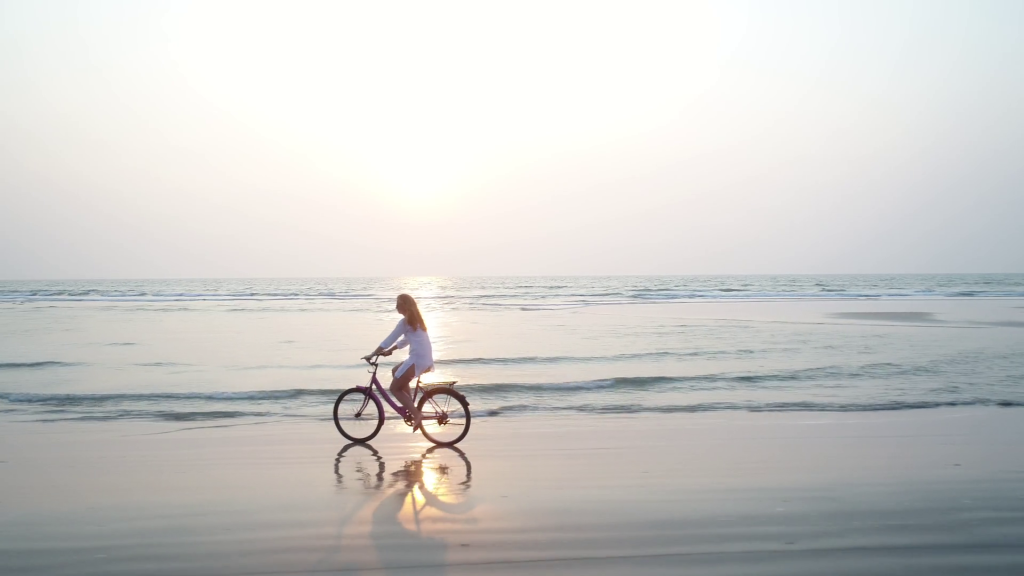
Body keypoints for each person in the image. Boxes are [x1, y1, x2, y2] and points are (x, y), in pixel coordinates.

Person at [363, 294, 433, 431]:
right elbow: (405, 340)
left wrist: (373, 354)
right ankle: (410, 406)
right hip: (424, 358)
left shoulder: (405, 322)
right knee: (396, 371)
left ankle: (416, 414)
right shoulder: (415, 321)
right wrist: (391, 350)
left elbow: (389, 339)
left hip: (417, 359)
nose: (396, 307)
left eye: (398, 304)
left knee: (394, 388)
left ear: (404, 306)